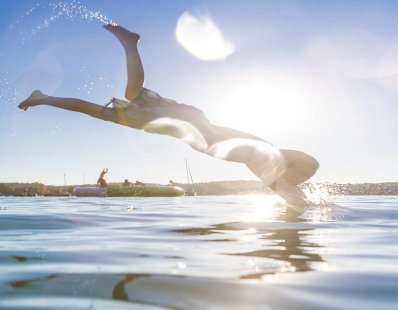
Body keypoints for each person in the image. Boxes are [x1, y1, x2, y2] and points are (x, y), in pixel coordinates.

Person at [18, 24, 319, 207]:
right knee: (118, 101)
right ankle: (122, 49)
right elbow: (301, 174)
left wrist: (293, 191)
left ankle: (124, 47)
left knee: (131, 95)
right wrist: (296, 198)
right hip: (190, 120)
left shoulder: (262, 159)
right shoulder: (262, 161)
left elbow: (306, 167)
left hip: (191, 119)